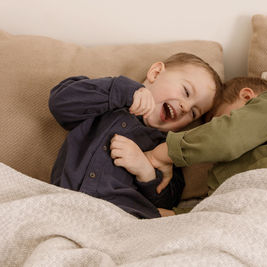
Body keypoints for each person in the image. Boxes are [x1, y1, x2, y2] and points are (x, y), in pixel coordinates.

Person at [48, 52, 223, 219]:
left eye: (193, 113)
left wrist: (145, 171)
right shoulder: (106, 101)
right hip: (66, 203)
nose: (185, 107)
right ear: (155, 73)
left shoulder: (165, 149)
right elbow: (60, 102)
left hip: (121, 218)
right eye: (185, 92)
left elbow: (168, 202)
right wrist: (126, 91)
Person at [143, 76, 267, 216]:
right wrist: (177, 215)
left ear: (248, 97)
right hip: (247, 218)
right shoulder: (223, 170)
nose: (211, 149)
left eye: (219, 120)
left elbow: (227, 137)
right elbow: (221, 208)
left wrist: (163, 153)